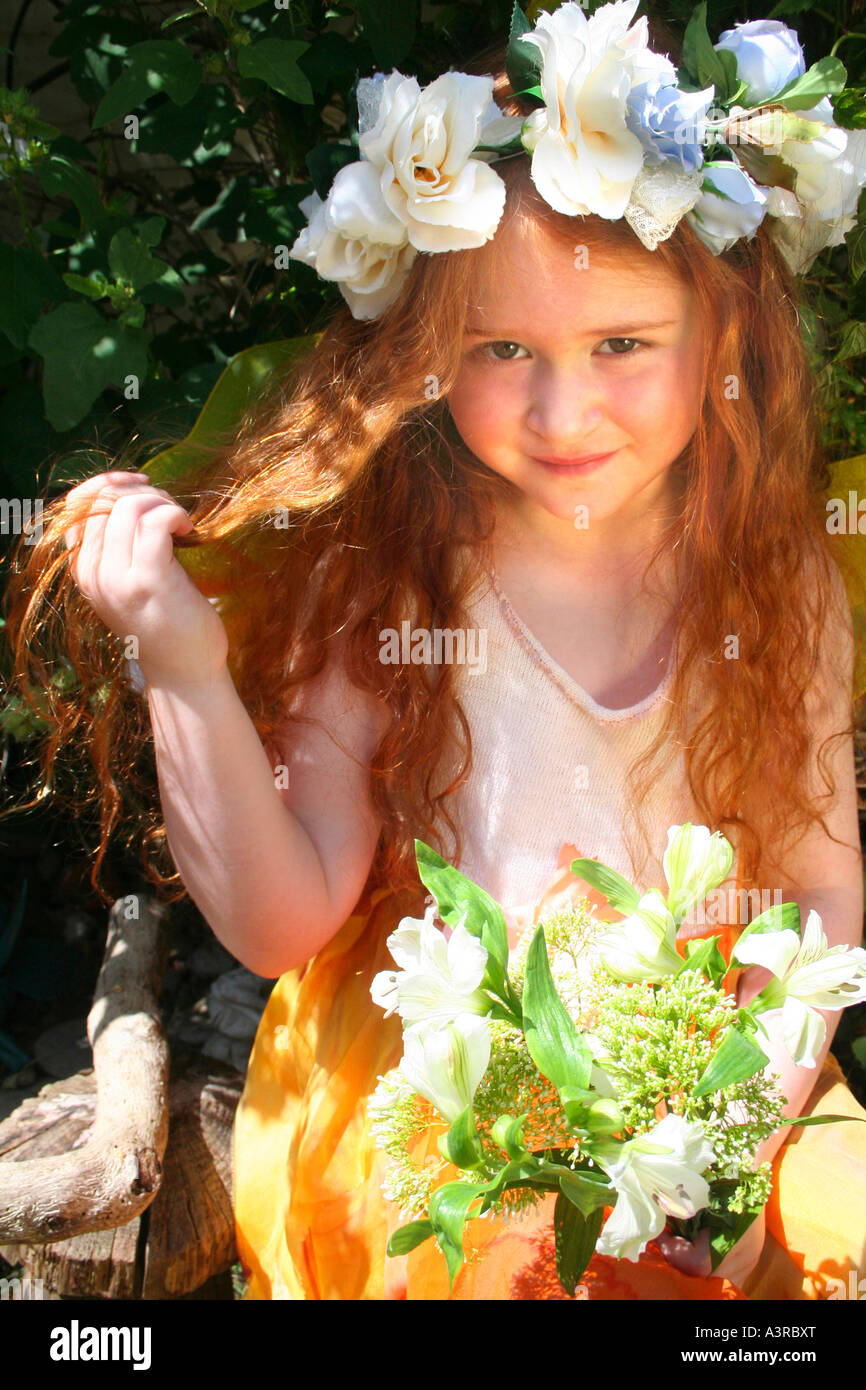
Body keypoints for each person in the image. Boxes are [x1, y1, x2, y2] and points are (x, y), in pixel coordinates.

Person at [9, 1, 866, 1300]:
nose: (559, 405)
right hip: (447, 1055)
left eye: (620, 345)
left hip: (703, 1052)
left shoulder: (775, 569)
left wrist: (729, 1136)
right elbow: (282, 918)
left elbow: (814, 899)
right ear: (422, 347)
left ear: (724, 337)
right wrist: (182, 666)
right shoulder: (385, 577)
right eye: (499, 346)